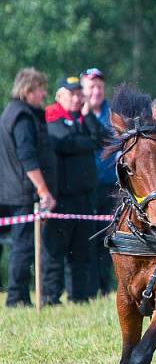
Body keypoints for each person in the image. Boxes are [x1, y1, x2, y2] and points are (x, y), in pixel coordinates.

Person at [41, 76, 104, 304]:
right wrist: (87, 142)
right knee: (55, 251)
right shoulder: (51, 117)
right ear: (60, 96)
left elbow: (102, 138)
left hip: (85, 197)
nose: (78, 98)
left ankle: (79, 296)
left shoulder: (82, 119)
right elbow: (62, 143)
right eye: (72, 94)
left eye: (79, 94)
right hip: (62, 198)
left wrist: (87, 117)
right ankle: (50, 297)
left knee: (82, 250)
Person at [0, 68, 57, 307]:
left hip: (9, 189)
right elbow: (27, 157)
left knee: (19, 246)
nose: (44, 93)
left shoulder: (10, 112)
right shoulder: (22, 116)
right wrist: (44, 191)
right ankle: (16, 297)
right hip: (21, 192)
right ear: (27, 90)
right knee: (23, 247)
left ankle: (18, 294)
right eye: (40, 89)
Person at [81, 67, 115, 296]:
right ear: (83, 90)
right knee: (84, 240)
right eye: (92, 86)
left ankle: (105, 287)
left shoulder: (112, 114)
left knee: (106, 239)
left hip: (109, 185)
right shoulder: (74, 115)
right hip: (82, 188)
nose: (96, 91)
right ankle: (86, 289)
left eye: (100, 87)